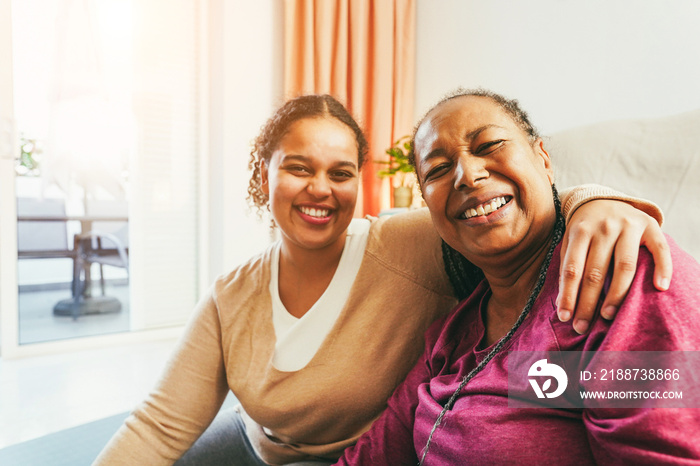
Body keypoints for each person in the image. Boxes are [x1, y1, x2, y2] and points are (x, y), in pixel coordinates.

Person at [94, 94, 672, 466]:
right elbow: (159, 424)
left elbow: (505, 211)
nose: (321, 188)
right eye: (298, 168)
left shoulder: (404, 241)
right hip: (258, 445)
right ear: (260, 176)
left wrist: (598, 203)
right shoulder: (232, 294)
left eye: (340, 172)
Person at [335, 89, 700, 465]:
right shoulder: (452, 335)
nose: (468, 175)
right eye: (439, 169)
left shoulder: (626, 275)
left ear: (543, 159)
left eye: (489, 144)